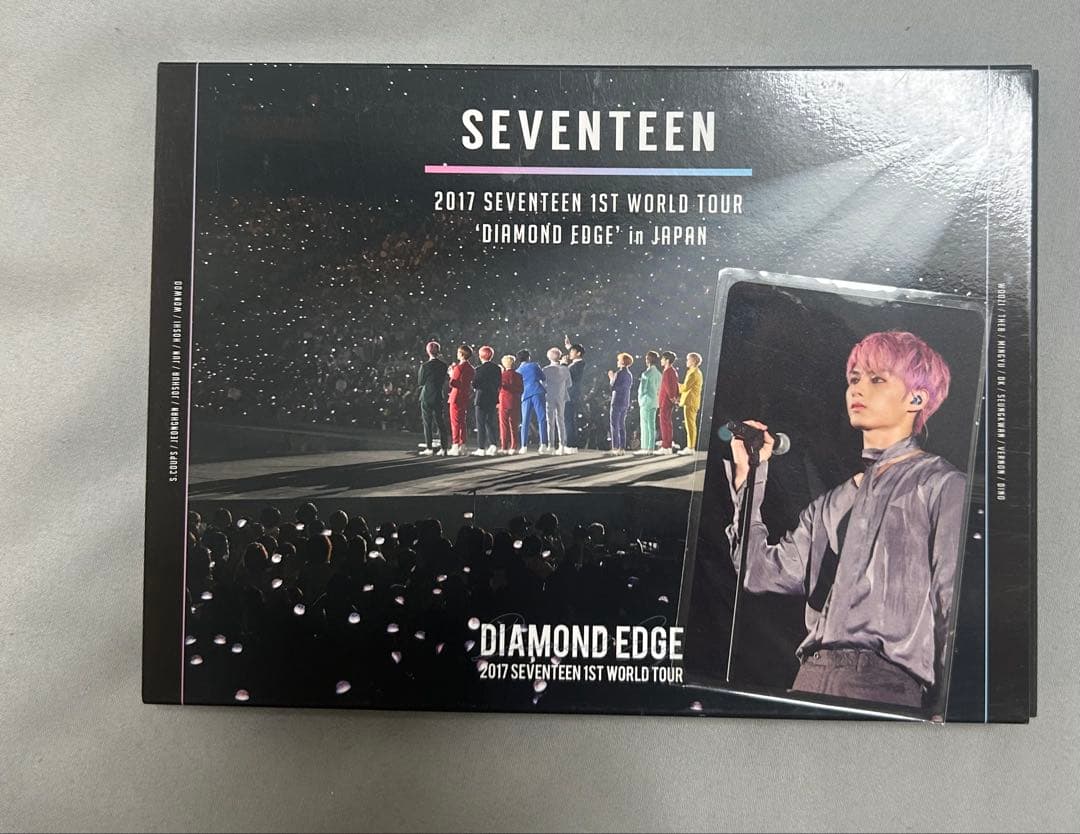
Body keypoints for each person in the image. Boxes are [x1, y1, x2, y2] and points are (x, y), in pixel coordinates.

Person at [725, 330, 966, 716]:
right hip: (808, 677)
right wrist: (748, 477)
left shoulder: (941, 485)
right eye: (854, 378)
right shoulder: (830, 503)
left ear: (916, 399)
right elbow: (758, 572)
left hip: (885, 684)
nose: (858, 388)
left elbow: (951, 601)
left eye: (877, 379)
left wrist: (949, 708)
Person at [417, 340, 449, 456]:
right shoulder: (443, 366)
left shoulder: (425, 366)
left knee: (427, 423)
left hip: (427, 395)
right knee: (440, 422)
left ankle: (429, 447)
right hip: (438, 395)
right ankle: (444, 448)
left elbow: (420, 382)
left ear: (428, 351)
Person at [516, 349, 548, 454]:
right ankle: (543, 444)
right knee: (542, 418)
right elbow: (543, 377)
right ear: (528, 357)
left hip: (525, 395)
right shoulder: (534, 365)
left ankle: (523, 446)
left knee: (525, 420)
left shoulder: (518, 371)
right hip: (537, 391)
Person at [472, 345, 502, 456]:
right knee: (490, 422)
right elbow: (499, 383)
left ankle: (481, 447)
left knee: (480, 423)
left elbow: (475, 384)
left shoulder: (479, 369)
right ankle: (493, 445)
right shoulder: (497, 368)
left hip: (481, 398)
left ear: (481, 356)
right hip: (492, 397)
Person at [542, 347, 573, 455]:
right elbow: (569, 384)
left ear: (549, 357)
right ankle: (562, 445)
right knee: (561, 420)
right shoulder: (565, 369)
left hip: (549, 396)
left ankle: (551, 445)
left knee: (550, 422)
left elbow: (543, 384)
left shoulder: (545, 370)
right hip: (561, 396)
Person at [447, 344, 475, 456]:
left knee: (455, 422)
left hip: (456, 396)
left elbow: (453, 383)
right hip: (465, 396)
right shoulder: (471, 369)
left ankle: (455, 444)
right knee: (462, 421)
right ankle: (462, 445)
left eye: (458, 352)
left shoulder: (458, 368)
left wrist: (451, 374)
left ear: (462, 354)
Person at [607, 352, 634, 455]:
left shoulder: (619, 373)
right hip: (625, 401)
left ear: (622, 362)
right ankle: (622, 448)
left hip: (617, 400)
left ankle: (615, 447)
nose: (617, 362)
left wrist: (611, 378)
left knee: (614, 424)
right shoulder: (629, 374)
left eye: (619, 360)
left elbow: (613, 386)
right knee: (622, 425)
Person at [635, 350, 661, 455]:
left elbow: (642, 390)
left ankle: (645, 447)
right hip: (654, 401)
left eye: (647, 358)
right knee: (651, 425)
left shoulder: (646, 373)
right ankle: (650, 448)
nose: (645, 360)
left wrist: (640, 400)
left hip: (646, 401)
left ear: (649, 359)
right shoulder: (659, 374)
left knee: (645, 425)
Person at [563, 338, 586, 453]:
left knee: (568, 420)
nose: (570, 353)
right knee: (569, 419)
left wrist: (563, 365)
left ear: (578, 353)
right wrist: (570, 346)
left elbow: (566, 377)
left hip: (571, 395)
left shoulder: (578, 365)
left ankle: (570, 444)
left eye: (572, 352)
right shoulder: (577, 364)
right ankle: (571, 444)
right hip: (571, 394)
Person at [497, 354, 524, 454]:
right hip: (515, 401)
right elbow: (521, 389)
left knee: (503, 425)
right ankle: (514, 446)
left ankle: (504, 446)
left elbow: (499, 388)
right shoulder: (519, 376)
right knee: (514, 425)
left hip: (504, 402)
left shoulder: (502, 375)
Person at [678, 352, 703, 455]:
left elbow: (685, 387)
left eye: (688, 359)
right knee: (690, 425)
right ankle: (690, 446)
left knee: (690, 425)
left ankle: (690, 447)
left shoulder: (693, 373)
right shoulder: (695, 372)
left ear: (693, 361)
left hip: (690, 402)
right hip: (692, 401)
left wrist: (675, 384)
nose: (686, 361)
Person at [657, 351, 680, 455]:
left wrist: (672, 398)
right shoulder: (673, 371)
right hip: (668, 401)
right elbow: (676, 385)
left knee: (664, 423)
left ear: (667, 360)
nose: (661, 360)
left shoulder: (667, 372)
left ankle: (666, 446)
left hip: (665, 401)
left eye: (662, 359)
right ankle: (668, 445)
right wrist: (676, 398)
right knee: (667, 423)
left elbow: (669, 387)